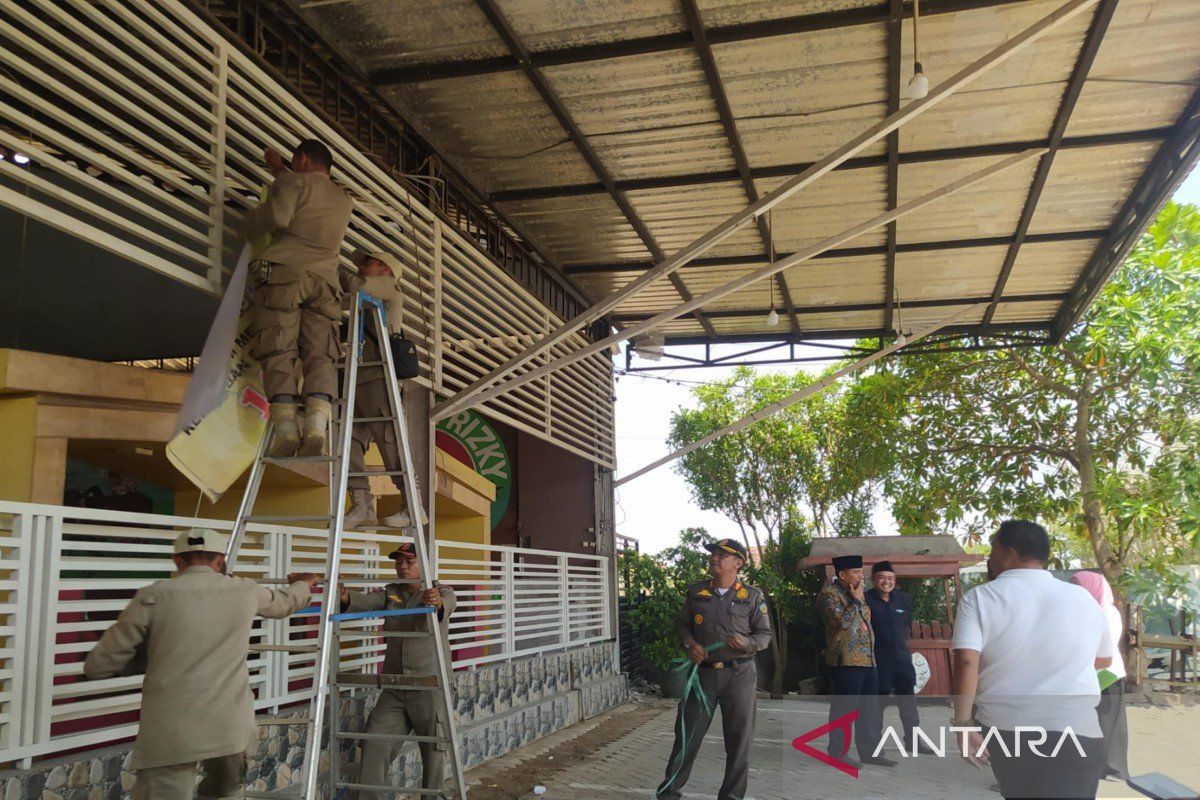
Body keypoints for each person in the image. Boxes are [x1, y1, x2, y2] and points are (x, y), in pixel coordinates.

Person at [83, 528, 318, 800]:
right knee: (225, 791)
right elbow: (286, 603)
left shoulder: (153, 596)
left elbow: (99, 665)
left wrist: (153, 658)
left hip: (169, 730)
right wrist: (304, 583)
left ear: (178, 561)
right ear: (220, 561)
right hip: (228, 726)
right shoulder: (244, 591)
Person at [951, 520, 1114, 800]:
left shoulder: (979, 598)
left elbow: (967, 662)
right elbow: (1104, 659)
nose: (990, 557)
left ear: (1010, 552)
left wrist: (963, 725)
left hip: (1011, 731)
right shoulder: (1083, 598)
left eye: (993, 548)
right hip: (1079, 730)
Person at [241, 139, 354, 459]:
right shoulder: (343, 198)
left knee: (279, 348)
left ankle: (287, 430)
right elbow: (307, 189)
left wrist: (247, 224)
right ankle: (317, 425)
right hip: (326, 284)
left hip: (286, 276)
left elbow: (278, 216)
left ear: (301, 159)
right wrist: (280, 168)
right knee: (321, 353)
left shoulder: (292, 182)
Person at [656, 538, 772, 800]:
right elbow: (683, 626)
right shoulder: (697, 591)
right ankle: (668, 794)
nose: (715, 558)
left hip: (739, 676)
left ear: (738, 563)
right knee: (686, 739)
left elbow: (764, 636)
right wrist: (689, 644)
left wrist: (747, 643)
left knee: (739, 744)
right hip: (703, 676)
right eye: (714, 554)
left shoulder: (752, 596)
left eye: (723, 555)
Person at [339, 543, 456, 799]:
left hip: (430, 686)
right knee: (374, 742)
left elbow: (445, 603)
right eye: (399, 562)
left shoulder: (440, 590)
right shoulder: (391, 593)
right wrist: (345, 594)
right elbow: (366, 601)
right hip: (394, 687)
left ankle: (431, 797)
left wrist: (435, 601)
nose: (402, 567)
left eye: (409, 562)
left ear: (424, 564)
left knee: (433, 751)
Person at [340, 250, 422, 530]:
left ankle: (411, 505)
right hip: (356, 377)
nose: (363, 268)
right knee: (347, 443)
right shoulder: (366, 299)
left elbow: (353, 286)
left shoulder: (389, 288)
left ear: (386, 269)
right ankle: (361, 503)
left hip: (377, 377)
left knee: (390, 443)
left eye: (369, 263)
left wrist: (322, 265)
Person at [817, 554, 894, 769]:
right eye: (857, 572)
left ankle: (870, 752)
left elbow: (865, 623)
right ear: (842, 575)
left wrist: (858, 600)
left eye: (862, 571)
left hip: (868, 659)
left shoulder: (857, 594)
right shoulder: (828, 595)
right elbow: (842, 622)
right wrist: (857, 600)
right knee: (844, 709)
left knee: (869, 709)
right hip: (845, 660)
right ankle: (837, 753)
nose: (862, 576)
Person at [1071, 570, 1129, 781]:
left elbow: (1105, 646)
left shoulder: (1107, 612)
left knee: (1110, 722)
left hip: (1107, 673)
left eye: (1079, 587)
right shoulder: (1084, 611)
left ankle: (1115, 768)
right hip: (1089, 672)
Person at [865, 560, 923, 753]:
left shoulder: (903, 600)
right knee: (876, 708)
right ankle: (874, 747)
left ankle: (914, 742)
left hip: (902, 661)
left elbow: (905, 624)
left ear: (895, 580)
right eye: (882, 578)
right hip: (879, 662)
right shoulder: (866, 601)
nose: (886, 582)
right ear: (873, 579)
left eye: (890, 578)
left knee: (909, 705)